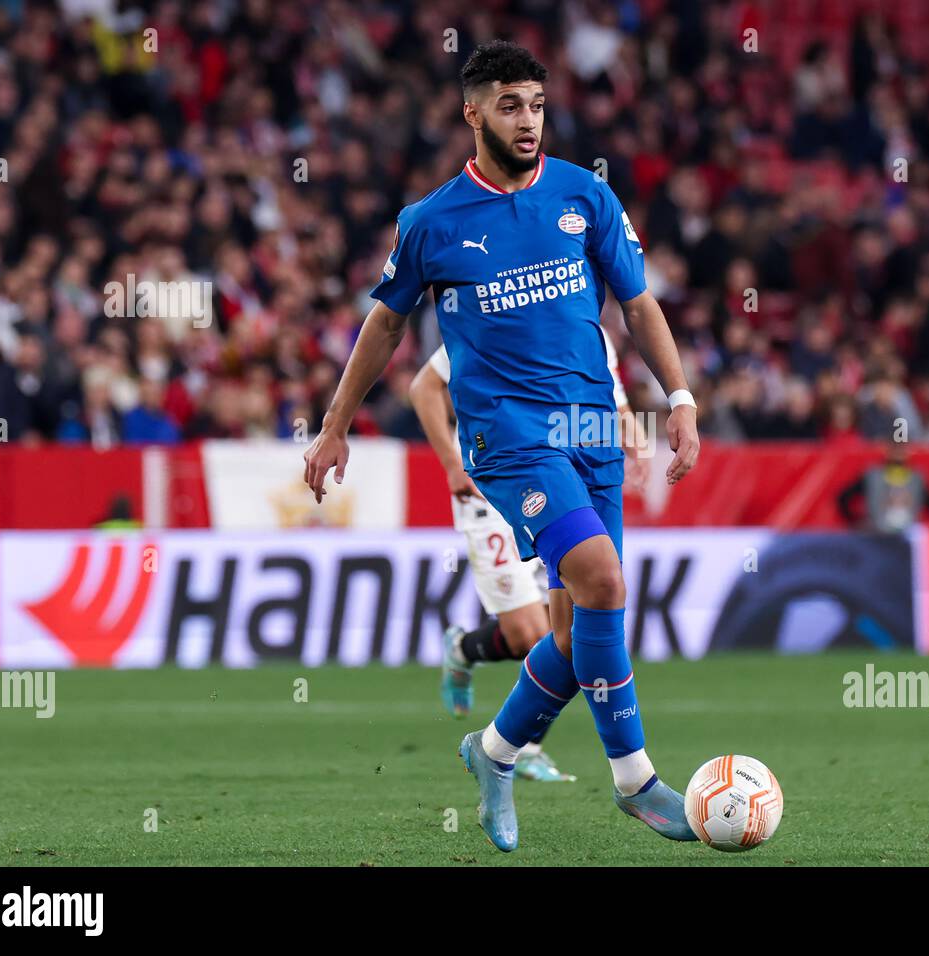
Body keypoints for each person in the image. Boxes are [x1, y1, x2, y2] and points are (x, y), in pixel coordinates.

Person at [303, 40, 700, 852]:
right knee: (603, 577)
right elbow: (385, 325)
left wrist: (681, 398)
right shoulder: (432, 221)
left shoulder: (585, 195)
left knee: (574, 628)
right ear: (472, 111)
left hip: (591, 425)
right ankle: (635, 780)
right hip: (509, 436)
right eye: (510, 105)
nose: (529, 121)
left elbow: (640, 304)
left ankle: (493, 752)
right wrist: (336, 422)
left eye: (538, 104)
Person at [409, 328, 647, 784]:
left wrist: (631, 430)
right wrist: (451, 462)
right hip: (495, 480)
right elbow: (423, 386)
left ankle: (524, 747)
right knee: (527, 634)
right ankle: (463, 650)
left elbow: (611, 404)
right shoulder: (498, 309)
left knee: (569, 629)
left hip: (556, 488)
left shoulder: (590, 332)